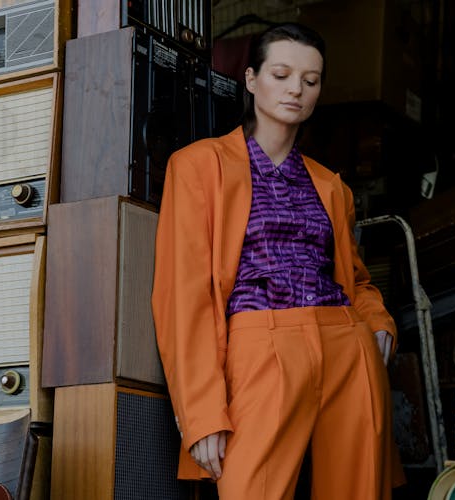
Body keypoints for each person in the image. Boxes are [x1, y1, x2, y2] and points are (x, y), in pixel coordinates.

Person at [152, 22, 403, 499]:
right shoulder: (198, 166)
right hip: (259, 342)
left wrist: (378, 322)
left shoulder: (331, 185)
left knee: (358, 490)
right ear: (250, 79)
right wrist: (201, 410)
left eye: (310, 82)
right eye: (282, 74)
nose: (296, 90)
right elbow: (182, 295)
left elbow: (357, 279)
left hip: (346, 345)